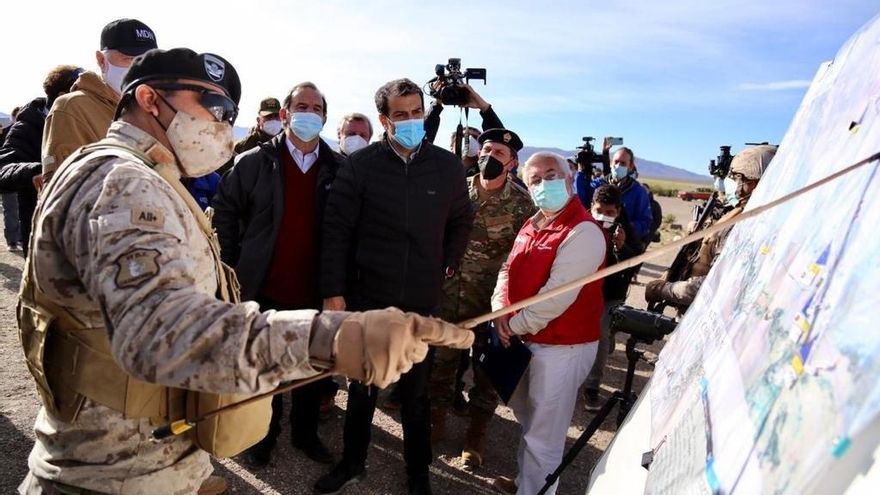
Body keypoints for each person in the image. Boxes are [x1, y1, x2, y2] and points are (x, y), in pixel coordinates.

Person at [17, 47, 472, 495]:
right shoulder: (122, 181)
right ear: (150, 100)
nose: (220, 123)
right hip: (112, 473)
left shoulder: (149, 176)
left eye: (228, 110)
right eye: (212, 105)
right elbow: (161, 333)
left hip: (144, 457)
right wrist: (333, 336)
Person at [316, 78, 474, 495]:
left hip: (423, 300)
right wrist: (335, 291)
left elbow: (462, 220)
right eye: (400, 115)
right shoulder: (361, 165)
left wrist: (448, 262)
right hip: (370, 297)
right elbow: (336, 231)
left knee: (415, 395)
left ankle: (418, 473)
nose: (410, 121)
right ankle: (352, 463)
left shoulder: (447, 166)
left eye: (416, 112)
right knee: (364, 387)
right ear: (385, 120)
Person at [212, 81, 343, 468]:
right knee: (263, 369)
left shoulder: (338, 168)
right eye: (301, 106)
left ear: (323, 117)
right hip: (263, 284)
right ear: (285, 114)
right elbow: (226, 212)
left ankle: (305, 435)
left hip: (315, 287)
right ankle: (261, 436)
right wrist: (234, 266)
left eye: (317, 108)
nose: (309, 113)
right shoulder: (253, 161)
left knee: (310, 370)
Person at [490, 152, 606, 495]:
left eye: (551, 175)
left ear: (570, 180)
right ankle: (529, 483)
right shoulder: (533, 223)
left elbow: (556, 297)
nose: (544, 184)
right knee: (532, 423)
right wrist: (500, 311)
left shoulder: (583, 231)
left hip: (563, 346)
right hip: (527, 339)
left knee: (545, 434)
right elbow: (507, 271)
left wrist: (512, 325)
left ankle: (536, 491)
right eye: (535, 180)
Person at [428, 128, 535, 468]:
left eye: (499, 154)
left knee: (485, 373)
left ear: (512, 163)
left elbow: (524, 257)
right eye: (486, 149)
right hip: (448, 297)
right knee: (441, 365)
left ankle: (475, 437)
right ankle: (436, 424)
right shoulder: (456, 188)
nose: (489, 156)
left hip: (491, 304)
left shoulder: (522, 205)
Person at [645, 145, 777, 308]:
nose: (734, 185)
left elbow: (712, 285)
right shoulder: (741, 213)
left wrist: (664, 290)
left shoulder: (748, 225)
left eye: (737, 178)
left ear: (755, 184)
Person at [41, 18, 157, 184]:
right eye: (129, 59)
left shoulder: (151, 107)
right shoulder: (72, 108)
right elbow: (66, 189)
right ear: (101, 60)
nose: (140, 68)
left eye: (148, 60)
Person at [0, 66, 83, 255]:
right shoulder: (27, 127)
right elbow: (3, 168)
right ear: (64, 95)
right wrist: (35, 171)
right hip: (43, 236)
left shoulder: (88, 119)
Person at [582, 184, 641, 412]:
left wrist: (622, 247)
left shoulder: (624, 231)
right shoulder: (584, 225)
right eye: (599, 210)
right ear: (591, 207)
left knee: (600, 335)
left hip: (610, 296)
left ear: (618, 211)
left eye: (610, 213)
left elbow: (635, 261)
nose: (604, 216)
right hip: (584, 293)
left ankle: (592, 388)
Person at [601, 146, 654, 247]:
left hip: (623, 245)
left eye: (623, 163)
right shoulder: (598, 185)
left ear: (630, 166)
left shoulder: (638, 192)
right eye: (616, 162)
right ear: (611, 163)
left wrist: (627, 228)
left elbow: (645, 222)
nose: (618, 166)